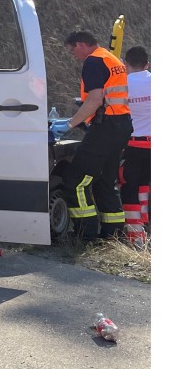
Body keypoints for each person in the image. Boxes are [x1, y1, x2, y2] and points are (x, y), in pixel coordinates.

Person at [61, 31, 133, 242]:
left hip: (106, 127)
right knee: (104, 180)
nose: (74, 55)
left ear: (81, 44)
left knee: (75, 180)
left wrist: (69, 123)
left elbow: (94, 100)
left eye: (73, 50)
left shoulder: (93, 61)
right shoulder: (111, 58)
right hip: (121, 125)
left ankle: (86, 233)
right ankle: (113, 233)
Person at [119, 46, 151, 246]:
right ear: (147, 64)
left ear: (125, 64)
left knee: (129, 187)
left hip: (133, 144)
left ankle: (135, 236)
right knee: (145, 186)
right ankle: (146, 225)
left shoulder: (122, 84)